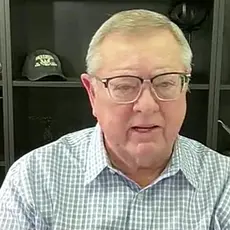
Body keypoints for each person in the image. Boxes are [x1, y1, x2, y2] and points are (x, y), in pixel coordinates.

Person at [0, 9, 230, 230]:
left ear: (184, 86)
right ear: (92, 93)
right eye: (125, 86)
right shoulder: (33, 180)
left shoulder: (223, 184)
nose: (147, 105)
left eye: (166, 83)